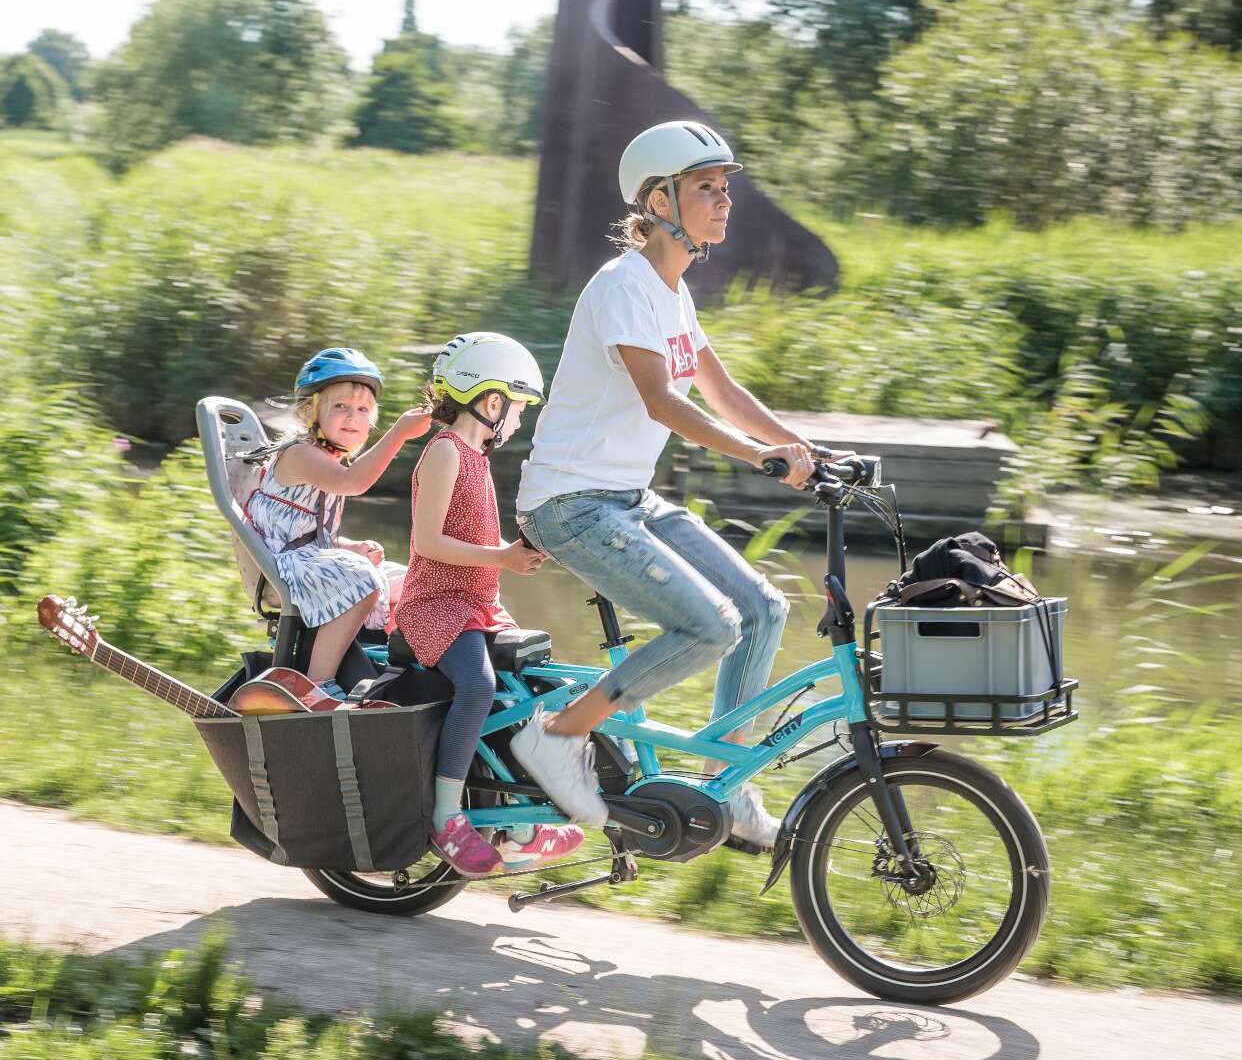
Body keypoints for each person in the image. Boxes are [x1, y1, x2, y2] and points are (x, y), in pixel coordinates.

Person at [508, 121, 816, 849]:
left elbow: (720, 388)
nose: (723, 201)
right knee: (710, 625)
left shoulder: (673, 292)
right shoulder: (623, 287)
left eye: (724, 187)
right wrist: (755, 457)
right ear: (658, 199)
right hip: (570, 502)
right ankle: (555, 735)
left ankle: (727, 788)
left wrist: (802, 447)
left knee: (762, 608)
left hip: (624, 497)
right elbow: (664, 402)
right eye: (706, 187)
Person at [395, 333, 587, 876]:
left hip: (476, 605)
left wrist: (518, 553)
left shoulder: (476, 458)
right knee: (478, 686)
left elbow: (480, 542)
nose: (520, 422)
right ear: (491, 401)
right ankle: (447, 816)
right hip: (437, 605)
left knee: (522, 690)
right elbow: (427, 542)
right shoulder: (444, 452)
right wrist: (501, 557)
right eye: (519, 408)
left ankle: (522, 827)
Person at [246, 348, 433, 699]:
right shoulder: (300, 454)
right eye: (341, 406)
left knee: (407, 579)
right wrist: (398, 434)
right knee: (362, 579)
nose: (354, 417)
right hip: (280, 567)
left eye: (363, 410)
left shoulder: (327, 458)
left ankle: (396, 666)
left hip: (300, 557)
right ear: (310, 411)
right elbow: (354, 483)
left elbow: (305, 529)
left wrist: (348, 545)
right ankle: (318, 684)